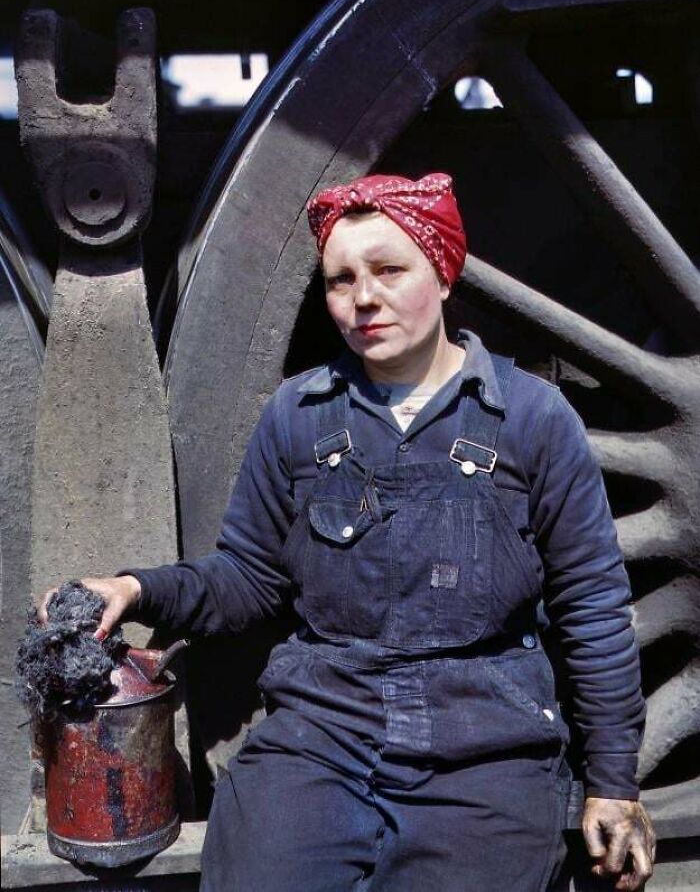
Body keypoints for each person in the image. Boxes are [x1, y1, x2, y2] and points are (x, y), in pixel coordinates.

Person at [40, 172, 655, 891]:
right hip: (325, 730)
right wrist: (133, 587)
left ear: (444, 272)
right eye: (340, 280)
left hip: (486, 739)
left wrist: (614, 782)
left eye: (391, 271)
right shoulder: (298, 415)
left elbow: (593, 610)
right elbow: (248, 579)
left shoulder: (531, 418)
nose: (364, 298)